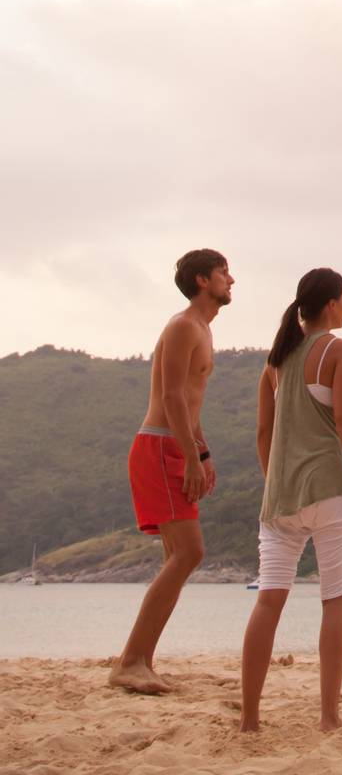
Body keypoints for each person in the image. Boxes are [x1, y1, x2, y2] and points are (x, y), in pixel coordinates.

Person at [240, 268, 342, 733]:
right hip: (329, 491)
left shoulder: (275, 361)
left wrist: (273, 480)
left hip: (279, 499)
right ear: (333, 304)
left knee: (268, 602)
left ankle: (251, 720)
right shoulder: (339, 350)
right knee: (335, 600)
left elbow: (263, 432)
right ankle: (328, 717)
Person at [109, 249, 234, 693]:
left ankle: (141, 660)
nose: (231, 280)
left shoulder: (202, 330)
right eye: (223, 273)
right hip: (160, 447)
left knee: (178, 556)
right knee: (189, 552)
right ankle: (130, 661)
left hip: (175, 446)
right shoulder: (183, 326)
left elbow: (191, 402)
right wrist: (186, 452)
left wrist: (201, 453)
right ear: (203, 281)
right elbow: (172, 396)